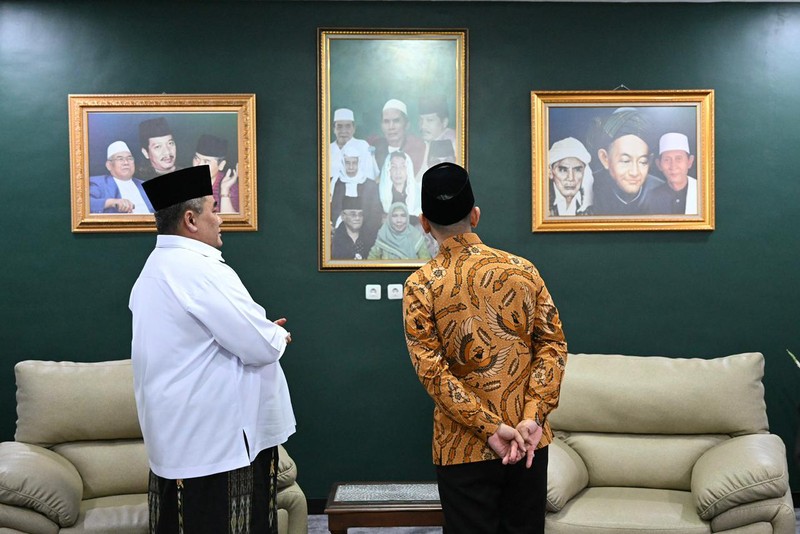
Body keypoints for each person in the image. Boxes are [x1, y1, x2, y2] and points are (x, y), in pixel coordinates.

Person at [403, 162, 567, 533]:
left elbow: (433, 373)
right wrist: (532, 415)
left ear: (424, 223)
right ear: (475, 215)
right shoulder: (523, 270)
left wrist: (491, 429)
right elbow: (553, 347)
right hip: (528, 441)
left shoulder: (421, 285)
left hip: (461, 445)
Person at [130, 165, 295, 534]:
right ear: (190, 219)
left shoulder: (155, 268)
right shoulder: (200, 269)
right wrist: (275, 336)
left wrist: (260, 331)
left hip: (182, 438)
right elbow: (258, 345)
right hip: (215, 445)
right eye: (214, 209)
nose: (221, 219)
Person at [588, 108, 665, 215]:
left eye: (642, 162)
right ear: (605, 158)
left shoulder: (663, 191)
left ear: (650, 161)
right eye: (625, 161)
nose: (635, 172)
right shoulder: (588, 188)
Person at [330, 141, 383, 234]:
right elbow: (333, 210)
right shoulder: (336, 183)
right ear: (343, 163)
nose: (351, 166)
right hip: (341, 231)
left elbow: (376, 213)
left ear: (359, 163)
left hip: (366, 232)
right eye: (347, 163)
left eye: (354, 163)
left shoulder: (370, 185)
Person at [89, 141, 154, 214]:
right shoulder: (99, 183)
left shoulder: (146, 185)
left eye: (129, 158)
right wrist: (112, 202)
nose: (126, 162)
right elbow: (84, 203)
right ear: (109, 165)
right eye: (120, 159)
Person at [369, 99, 425, 176]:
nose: (391, 127)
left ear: (407, 124)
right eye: (386, 122)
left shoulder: (419, 149)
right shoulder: (374, 148)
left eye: (396, 121)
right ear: (381, 126)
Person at [329, 108, 378, 192]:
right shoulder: (328, 149)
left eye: (348, 126)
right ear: (334, 129)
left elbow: (371, 177)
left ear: (354, 128)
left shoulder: (363, 146)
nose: (343, 131)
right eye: (339, 126)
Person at [650, 132, 698, 215]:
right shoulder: (651, 198)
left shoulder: (704, 192)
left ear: (690, 162)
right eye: (667, 160)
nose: (673, 166)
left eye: (678, 159)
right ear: (659, 164)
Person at [192, 134, 239, 213]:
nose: (199, 165)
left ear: (221, 165)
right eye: (197, 158)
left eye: (206, 161)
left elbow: (234, 223)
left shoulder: (232, 188)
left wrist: (225, 191)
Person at [548, 137, 594, 216]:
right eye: (563, 170)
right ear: (551, 172)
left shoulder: (593, 206)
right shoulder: (540, 202)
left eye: (577, 170)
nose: (570, 178)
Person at [418, 94, 458, 174]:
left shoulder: (455, 143)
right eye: (420, 120)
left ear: (444, 122)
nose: (423, 126)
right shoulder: (423, 143)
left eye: (430, 120)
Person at [331, 195, 377, 260]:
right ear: (343, 216)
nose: (357, 218)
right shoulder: (333, 240)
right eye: (353, 214)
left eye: (360, 214)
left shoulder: (372, 238)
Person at [378, 150, 421, 219]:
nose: (398, 172)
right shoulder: (379, 194)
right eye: (394, 167)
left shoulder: (418, 193)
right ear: (388, 170)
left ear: (408, 169)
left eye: (403, 166)